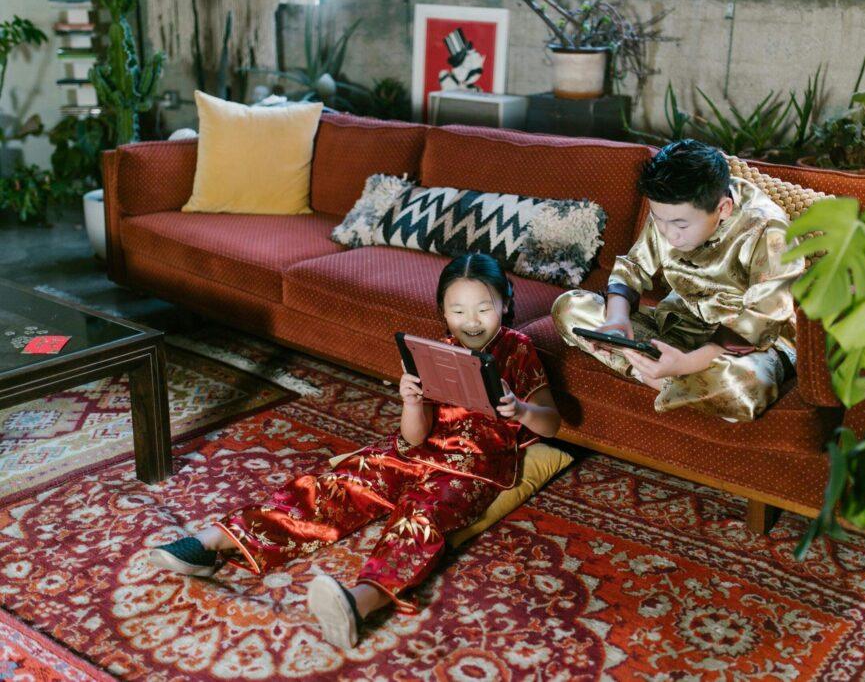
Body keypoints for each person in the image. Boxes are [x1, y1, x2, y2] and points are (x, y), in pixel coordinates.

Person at [149, 253, 561, 649]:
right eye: (458, 310)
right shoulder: (435, 351)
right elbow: (414, 438)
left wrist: (521, 409)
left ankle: (360, 602)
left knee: (420, 515)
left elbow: (552, 422)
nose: (471, 321)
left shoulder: (518, 350)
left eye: (484, 309)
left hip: (474, 468)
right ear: (442, 311)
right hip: (417, 451)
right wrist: (411, 401)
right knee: (343, 480)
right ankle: (216, 542)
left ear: (505, 304)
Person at [551, 139, 804, 422]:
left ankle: (662, 376)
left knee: (742, 389)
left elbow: (763, 318)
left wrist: (687, 364)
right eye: (659, 221)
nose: (669, 235)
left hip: (751, 345)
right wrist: (617, 320)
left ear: (724, 209)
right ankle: (667, 375)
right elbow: (634, 266)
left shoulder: (769, 228)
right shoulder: (670, 206)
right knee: (569, 308)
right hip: (679, 326)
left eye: (681, 225)